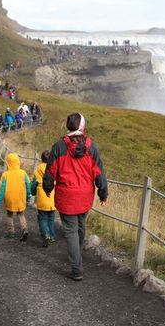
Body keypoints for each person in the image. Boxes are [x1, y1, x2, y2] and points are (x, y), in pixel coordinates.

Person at [43, 113, 108, 281]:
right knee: (80, 226)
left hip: (66, 197)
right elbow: (99, 172)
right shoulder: (91, 147)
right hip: (85, 196)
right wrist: (103, 193)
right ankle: (76, 256)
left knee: (71, 231)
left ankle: (76, 267)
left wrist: (47, 188)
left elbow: (50, 171)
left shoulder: (58, 147)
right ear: (82, 128)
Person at [0, 153, 31, 241]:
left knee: (9, 215)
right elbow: (28, 186)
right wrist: (28, 196)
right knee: (21, 214)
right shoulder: (23, 173)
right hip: (20, 198)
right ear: (18, 162)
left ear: (8, 163)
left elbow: (1, 190)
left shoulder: (5, 175)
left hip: (10, 199)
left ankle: (11, 232)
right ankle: (24, 230)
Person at [31, 150, 56, 247]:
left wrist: (33, 193)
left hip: (42, 199)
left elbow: (33, 185)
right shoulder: (54, 169)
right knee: (51, 218)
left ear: (42, 159)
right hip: (52, 199)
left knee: (42, 219)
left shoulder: (38, 171)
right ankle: (52, 236)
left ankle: (46, 235)